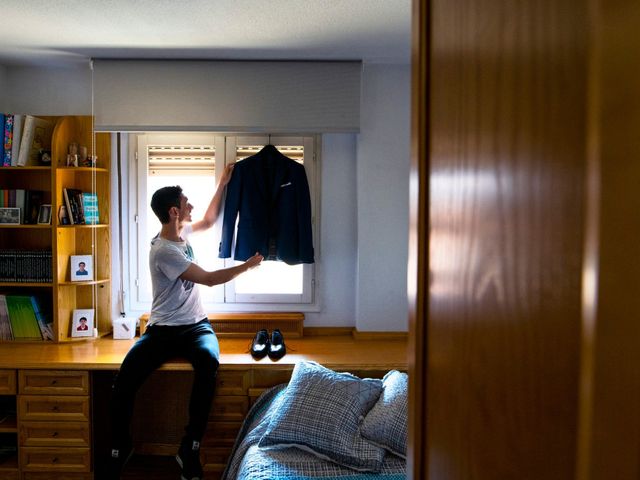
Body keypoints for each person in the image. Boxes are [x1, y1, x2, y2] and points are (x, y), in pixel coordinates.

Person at [108, 164, 263, 480]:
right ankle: (120, 446)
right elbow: (207, 279)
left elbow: (208, 219)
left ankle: (189, 448)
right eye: (187, 202)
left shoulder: (182, 232)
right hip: (163, 331)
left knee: (208, 362)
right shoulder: (164, 251)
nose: (192, 206)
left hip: (196, 327)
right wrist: (246, 267)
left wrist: (222, 183)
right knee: (123, 380)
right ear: (174, 211)